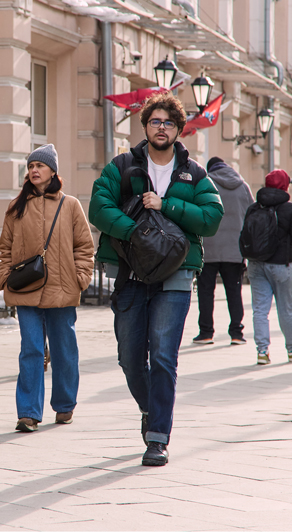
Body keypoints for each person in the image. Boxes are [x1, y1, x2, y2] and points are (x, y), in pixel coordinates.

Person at [88, 93, 223, 467]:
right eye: (154, 122)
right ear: (145, 126)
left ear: (179, 130)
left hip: (176, 274)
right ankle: (151, 409)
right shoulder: (122, 165)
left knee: (163, 356)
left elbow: (212, 218)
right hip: (131, 272)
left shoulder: (194, 174)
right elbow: (99, 208)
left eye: (168, 123)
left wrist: (168, 206)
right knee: (130, 359)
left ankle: (158, 436)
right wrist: (136, 233)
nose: (161, 128)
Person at [0, 144, 94, 433]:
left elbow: (85, 247)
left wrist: (80, 277)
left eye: (39, 166)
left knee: (64, 350)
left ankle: (64, 404)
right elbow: (5, 247)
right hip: (26, 290)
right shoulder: (16, 207)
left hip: (62, 291)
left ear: (53, 170)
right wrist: (4, 274)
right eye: (30, 167)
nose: (34, 170)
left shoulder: (71, 205)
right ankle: (28, 413)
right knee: (32, 350)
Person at [245, 170, 292, 366]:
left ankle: (262, 352)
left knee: (260, 310)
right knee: (286, 310)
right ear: (284, 186)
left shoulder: (254, 207)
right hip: (281, 265)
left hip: (255, 264)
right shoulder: (290, 209)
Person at [193, 157, 253, 345]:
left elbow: (196, 213)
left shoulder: (204, 183)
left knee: (205, 292)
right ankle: (236, 333)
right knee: (234, 292)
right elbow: (251, 214)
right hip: (234, 250)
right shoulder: (242, 186)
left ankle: (206, 333)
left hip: (208, 249)